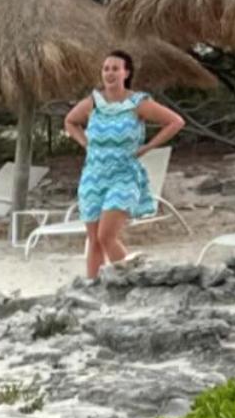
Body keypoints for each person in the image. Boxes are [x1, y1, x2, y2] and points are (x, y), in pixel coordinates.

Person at [64, 51, 185, 280]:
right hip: (92, 176)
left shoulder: (137, 103)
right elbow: (70, 122)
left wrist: (147, 147)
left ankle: (133, 281)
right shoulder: (93, 103)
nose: (109, 73)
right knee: (94, 239)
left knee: (106, 235)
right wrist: (85, 143)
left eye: (115, 68)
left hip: (124, 175)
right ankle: (93, 287)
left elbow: (175, 122)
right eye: (106, 68)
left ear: (126, 73)